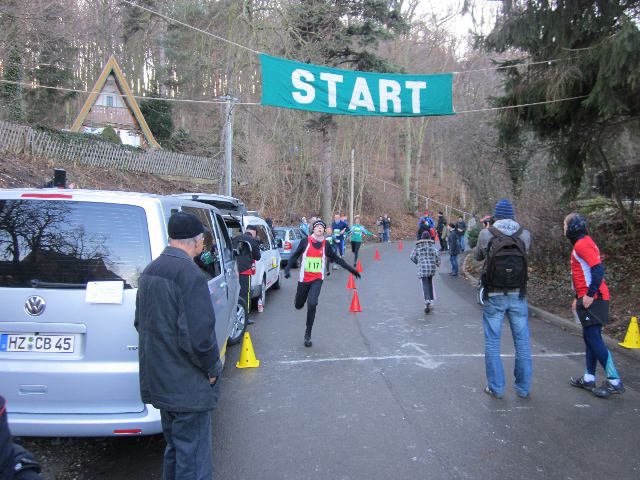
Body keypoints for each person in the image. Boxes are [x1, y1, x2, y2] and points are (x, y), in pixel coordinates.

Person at [134, 211, 223, 479]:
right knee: (193, 460)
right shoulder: (190, 274)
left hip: (160, 378)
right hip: (186, 386)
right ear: (195, 241)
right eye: (203, 240)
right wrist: (212, 369)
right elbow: (198, 336)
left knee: (175, 449)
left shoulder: (150, 270)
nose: (203, 244)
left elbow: (140, 323)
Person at [475, 199, 532, 399]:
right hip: (518, 293)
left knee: (493, 342)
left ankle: (496, 388)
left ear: (495, 216)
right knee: (522, 342)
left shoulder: (486, 234)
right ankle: (523, 388)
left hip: (494, 293)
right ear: (513, 215)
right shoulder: (525, 234)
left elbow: (478, 257)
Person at [565, 213, 624, 398]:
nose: (564, 229)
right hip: (589, 297)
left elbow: (597, 270)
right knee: (590, 338)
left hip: (594, 299)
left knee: (594, 338)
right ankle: (589, 378)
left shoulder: (582, 244)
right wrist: (577, 297)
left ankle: (614, 381)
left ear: (573, 227)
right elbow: (582, 275)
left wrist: (590, 295)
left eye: (565, 225)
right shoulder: (582, 243)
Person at [284, 220, 361, 347]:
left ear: (324, 231)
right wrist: (287, 269)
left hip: (317, 279)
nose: (319, 228)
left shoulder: (326, 245)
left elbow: (336, 259)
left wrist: (351, 270)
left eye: (322, 227)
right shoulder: (305, 241)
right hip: (304, 279)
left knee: (312, 303)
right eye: (317, 226)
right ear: (313, 229)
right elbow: (295, 255)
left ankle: (308, 334)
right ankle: (299, 301)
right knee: (298, 305)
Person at [233, 225, 262, 319]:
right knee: (245, 294)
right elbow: (258, 257)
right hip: (245, 271)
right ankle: (245, 317)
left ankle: (235, 315)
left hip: (233, 270)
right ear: (254, 233)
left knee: (235, 293)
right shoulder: (253, 240)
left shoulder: (235, 238)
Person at [410, 230, 440, 314]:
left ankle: (427, 300)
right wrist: (437, 263)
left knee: (425, 284)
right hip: (431, 268)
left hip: (423, 268)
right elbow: (437, 254)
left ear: (422, 237)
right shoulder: (432, 246)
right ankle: (431, 300)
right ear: (429, 237)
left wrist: (418, 262)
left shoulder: (418, 247)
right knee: (430, 283)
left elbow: (412, 256)